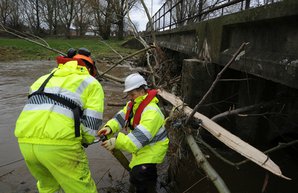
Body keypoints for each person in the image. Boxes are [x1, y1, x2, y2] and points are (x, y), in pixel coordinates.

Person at [14, 48, 104, 193]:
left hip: (25, 143)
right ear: (89, 67)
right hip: (61, 146)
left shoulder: (42, 79)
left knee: (48, 187)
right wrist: (86, 140)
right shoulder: (91, 83)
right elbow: (92, 123)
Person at [98, 73, 169, 193]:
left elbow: (137, 140)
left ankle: (149, 186)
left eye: (132, 94)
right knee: (138, 176)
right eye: (129, 95)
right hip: (143, 148)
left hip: (153, 149)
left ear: (142, 91)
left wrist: (116, 141)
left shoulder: (152, 112)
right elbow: (120, 118)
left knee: (140, 175)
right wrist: (109, 127)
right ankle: (151, 184)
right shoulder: (134, 104)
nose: (130, 97)